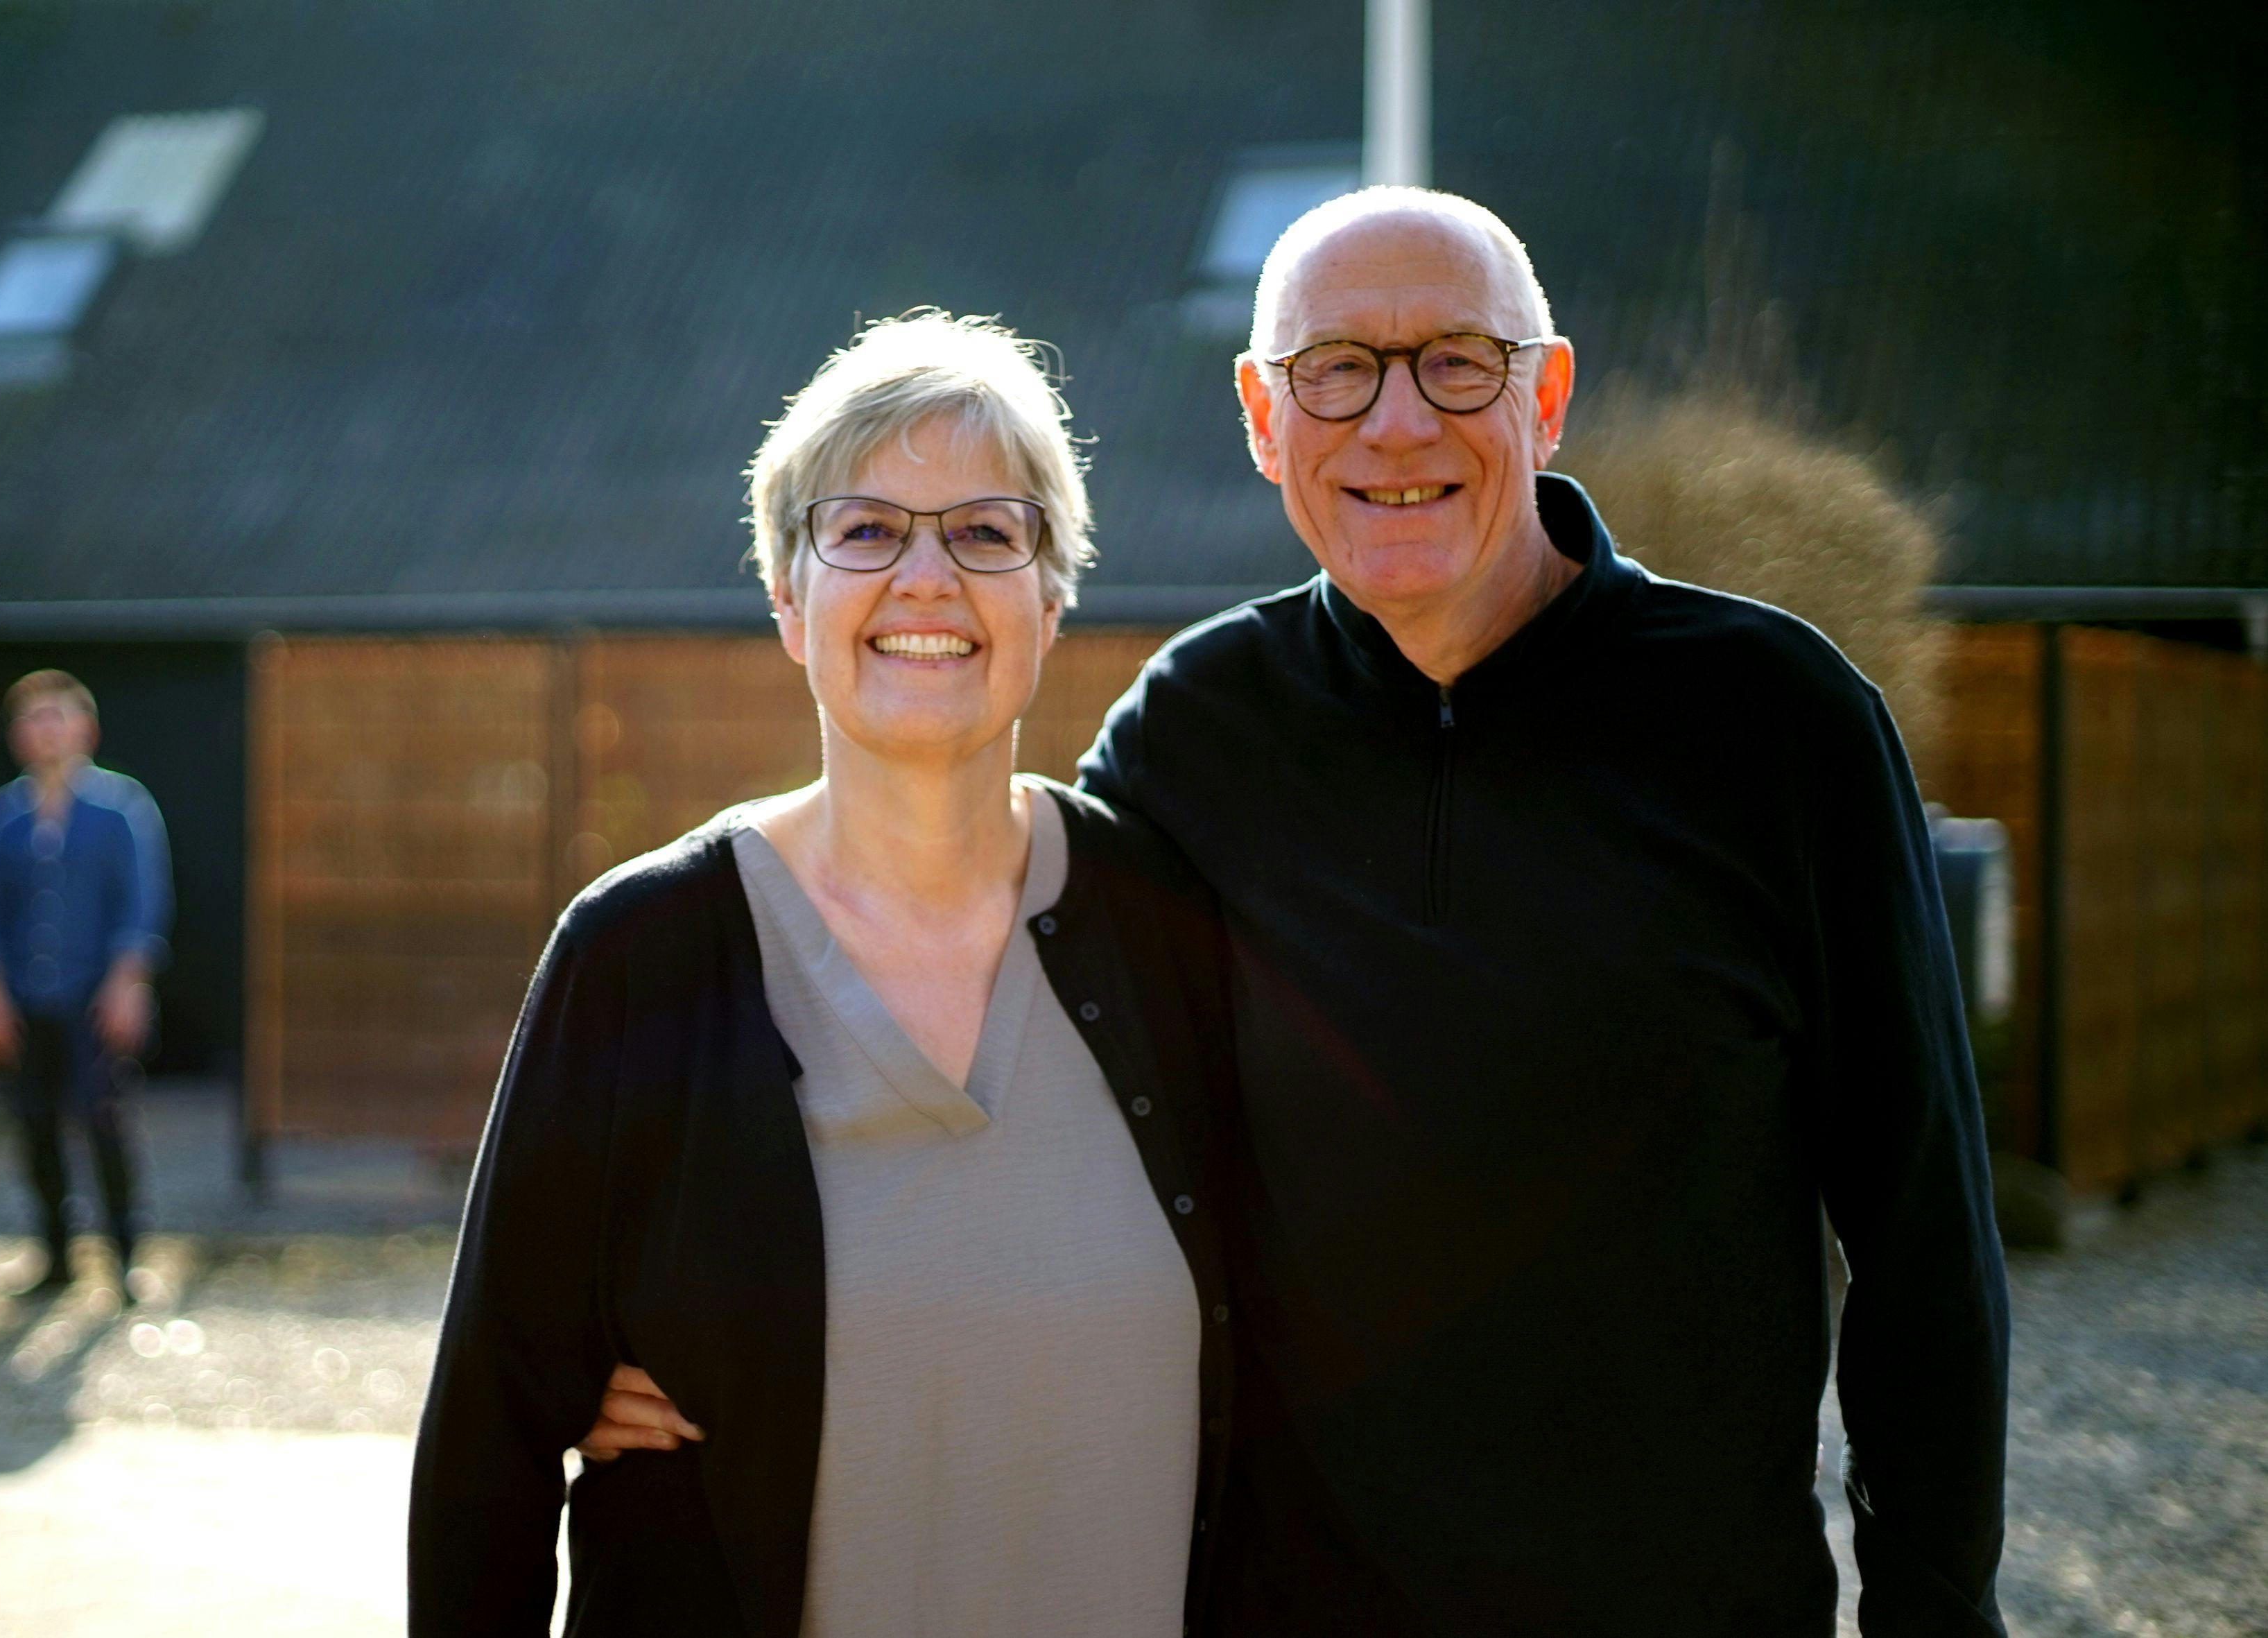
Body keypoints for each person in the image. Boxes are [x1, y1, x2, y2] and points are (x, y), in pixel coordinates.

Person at [590, 191, 2014, 1635]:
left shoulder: (1776, 721)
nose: (1392, 424)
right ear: (1263, 418)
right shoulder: (1194, 736)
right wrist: (705, 1318)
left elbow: (1919, 1237)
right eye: (1332, 369)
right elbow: (993, 1087)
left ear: (1548, 394)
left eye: (1454, 361)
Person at [408, 313, 1243, 1637]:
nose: (925, 577)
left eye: (985, 531)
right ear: (789, 601)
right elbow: (486, 1452)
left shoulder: (1171, 929)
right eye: (863, 530)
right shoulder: (640, 955)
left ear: (1052, 594)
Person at [0, 671, 171, 1295]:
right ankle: (55, 1255)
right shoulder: (3, 817)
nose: (45, 731)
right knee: (34, 1124)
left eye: (57, 717)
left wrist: (128, 983)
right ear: (17, 735)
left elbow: (142, 904)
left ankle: (125, 1252)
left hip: (95, 995)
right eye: (33, 720)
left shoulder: (122, 807)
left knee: (104, 1120)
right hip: (27, 998)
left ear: (85, 729)